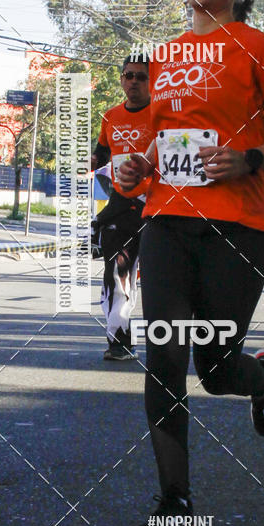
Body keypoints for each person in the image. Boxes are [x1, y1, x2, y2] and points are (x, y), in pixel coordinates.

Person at [117, 0, 264, 526]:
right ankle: (174, 503)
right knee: (165, 357)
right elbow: (160, 141)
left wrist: (251, 157)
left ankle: (263, 378)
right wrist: (138, 166)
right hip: (167, 223)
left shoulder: (256, 46)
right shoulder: (167, 55)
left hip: (238, 226)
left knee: (215, 368)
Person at [91, 55, 153, 360]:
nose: (133, 81)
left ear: (152, 81)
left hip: (156, 207)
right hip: (120, 206)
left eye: (141, 76)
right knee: (116, 272)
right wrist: (92, 161)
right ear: (121, 79)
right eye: (128, 75)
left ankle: (168, 343)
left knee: (161, 282)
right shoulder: (111, 116)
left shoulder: (163, 115)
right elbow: (102, 152)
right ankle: (120, 339)